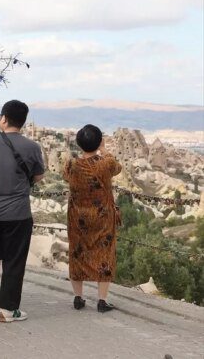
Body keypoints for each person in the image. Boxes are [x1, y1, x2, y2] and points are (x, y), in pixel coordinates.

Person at [0, 100, 44, 323]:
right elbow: (39, 177)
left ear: (3, 118)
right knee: (13, 260)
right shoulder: (32, 147)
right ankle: (8, 309)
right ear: (22, 122)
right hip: (17, 213)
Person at [63, 125, 122, 313]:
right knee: (104, 254)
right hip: (102, 217)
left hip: (78, 216)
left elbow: (66, 176)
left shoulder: (71, 164)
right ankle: (102, 301)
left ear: (79, 144)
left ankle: (78, 298)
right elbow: (117, 167)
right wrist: (103, 150)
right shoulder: (106, 164)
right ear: (99, 142)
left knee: (77, 253)